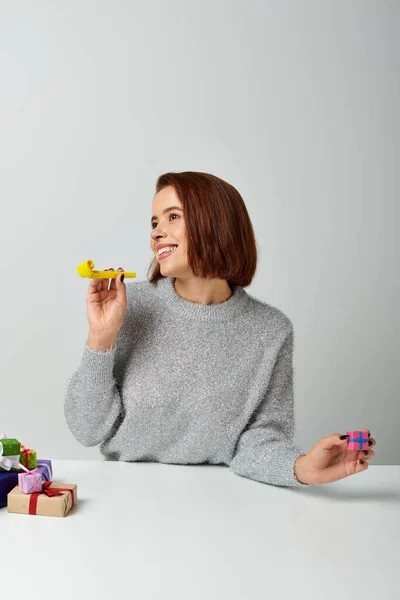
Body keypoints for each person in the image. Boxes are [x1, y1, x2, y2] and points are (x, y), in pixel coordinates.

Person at [64, 171, 376, 487]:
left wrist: (301, 468)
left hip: (221, 500)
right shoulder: (130, 305)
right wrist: (101, 337)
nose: (157, 233)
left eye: (173, 217)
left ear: (214, 224)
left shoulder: (270, 331)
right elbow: (88, 429)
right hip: (124, 495)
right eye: (155, 223)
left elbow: (258, 440)